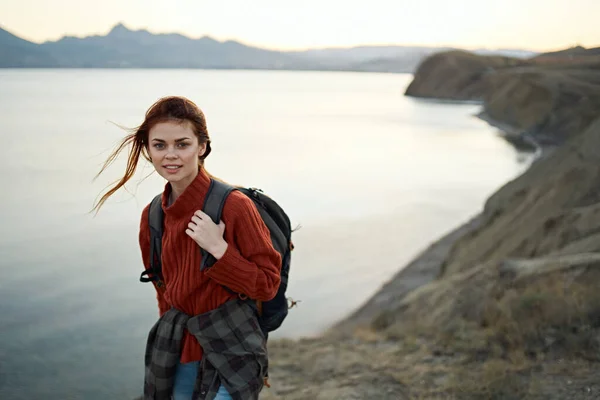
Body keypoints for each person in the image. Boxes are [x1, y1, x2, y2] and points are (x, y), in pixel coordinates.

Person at [93, 96, 282, 399]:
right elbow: (163, 290)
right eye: (160, 145)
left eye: (182, 144)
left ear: (202, 147)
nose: (171, 155)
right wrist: (172, 345)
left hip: (230, 347)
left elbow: (267, 285)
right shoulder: (153, 214)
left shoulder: (234, 206)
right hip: (176, 350)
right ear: (148, 150)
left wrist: (220, 251)